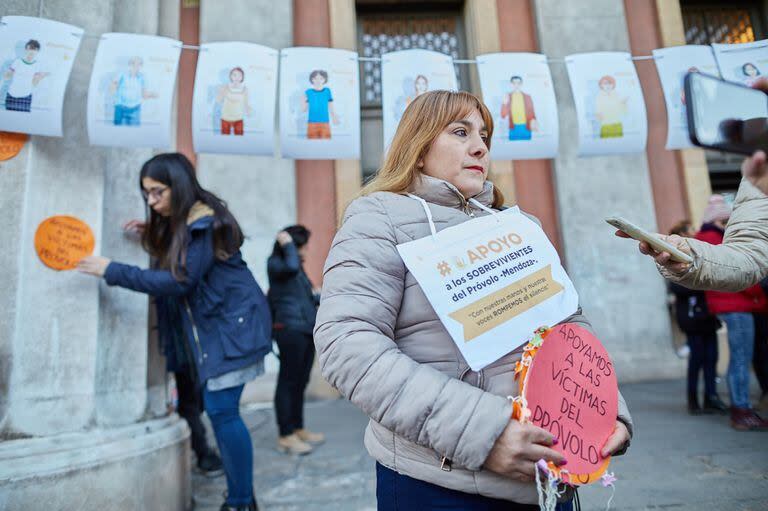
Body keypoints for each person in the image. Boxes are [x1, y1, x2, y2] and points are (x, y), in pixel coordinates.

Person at [314, 90, 632, 510]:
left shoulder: (519, 226)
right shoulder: (379, 217)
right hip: (439, 485)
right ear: (419, 147)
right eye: (460, 132)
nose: (480, 145)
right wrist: (486, 434)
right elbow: (347, 346)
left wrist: (605, 410)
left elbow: (568, 326)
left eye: (484, 134)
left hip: (551, 476)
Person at [77, 153, 270, 511]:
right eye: (146, 193)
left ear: (177, 187)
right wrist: (152, 232)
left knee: (222, 411)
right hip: (226, 329)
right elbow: (187, 260)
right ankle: (243, 498)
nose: (151, 201)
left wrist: (111, 269)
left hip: (234, 329)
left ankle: (241, 501)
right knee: (220, 411)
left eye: (157, 192)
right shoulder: (192, 223)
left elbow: (180, 279)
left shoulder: (206, 224)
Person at [693, 195, 768, 430]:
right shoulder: (716, 239)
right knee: (740, 360)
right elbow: (739, 271)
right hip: (737, 305)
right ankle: (741, 409)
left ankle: (741, 407)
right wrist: (758, 293)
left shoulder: (704, 238)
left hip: (728, 306)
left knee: (738, 358)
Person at [267, 225, 324, 455]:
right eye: (303, 245)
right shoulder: (277, 264)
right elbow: (290, 265)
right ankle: (285, 435)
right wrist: (287, 242)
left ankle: (298, 428)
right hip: (288, 329)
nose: (306, 250)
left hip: (304, 328)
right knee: (288, 382)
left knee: (300, 381)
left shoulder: (296, 268)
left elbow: (303, 296)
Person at [666, 220, 727, 415]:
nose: (696, 232)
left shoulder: (700, 252)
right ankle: (693, 399)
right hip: (692, 317)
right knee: (697, 359)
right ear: (683, 233)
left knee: (712, 357)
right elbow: (676, 285)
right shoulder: (675, 256)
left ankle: (711, 397)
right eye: (691, 229)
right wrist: (698, 282)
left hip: (708, 315)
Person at [3, 39, 49, 112]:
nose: (32, 51)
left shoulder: (38, 65)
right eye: (30, 48)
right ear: (26, 49)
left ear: (37, 51)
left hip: (25, 97)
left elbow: (34, 84)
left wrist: (41, 77)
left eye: (35, 49)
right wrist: (8, 71)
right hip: (11, 96)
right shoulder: (17, 61)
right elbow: (6, 77)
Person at [110, 56, 157, 126]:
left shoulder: (142, 77)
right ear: (129, 65)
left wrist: (153, 95)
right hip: (120, 107)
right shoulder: (122, 74)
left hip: (135, 109)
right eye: (133, 64)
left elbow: (144, 95)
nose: (136, 66)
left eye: (139, 64)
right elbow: (113, 86)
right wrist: (113, 93)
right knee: (116, 129)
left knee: (134, 131)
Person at [303, 69, 339, 139]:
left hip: (325, 122)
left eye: (321, 78)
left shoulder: (327, 91)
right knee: (312, 145)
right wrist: (304, 101)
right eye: (315, 78)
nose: (318, 80)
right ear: (312, 79)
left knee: (326, 144)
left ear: (325, 79)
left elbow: (331, 105)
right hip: (312, 123)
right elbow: (304, 109)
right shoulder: (308, 92)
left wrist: (334, 117)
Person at [500, 75, 537, 141]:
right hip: (513, 128)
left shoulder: (527, 97)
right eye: (514, 83)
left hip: (526, 127)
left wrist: (534, 124)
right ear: (511, 84)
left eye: (518, 83)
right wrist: (504, 103)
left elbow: (532, 113)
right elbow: (503, 115)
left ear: (521, 84)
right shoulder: (508, 96)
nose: (516, 85)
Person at [216, 66, 251, 136]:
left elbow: (246, 103)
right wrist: (221, 92)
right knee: (224, 138)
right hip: (225, 118)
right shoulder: (225, 87)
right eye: (234, 75)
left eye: (239, 75)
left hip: (238, 118)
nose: (237, 77)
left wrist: (248, 112)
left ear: (242, 77)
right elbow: (219, 100)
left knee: (239, 138)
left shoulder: (244, 89)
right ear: (231, 76)